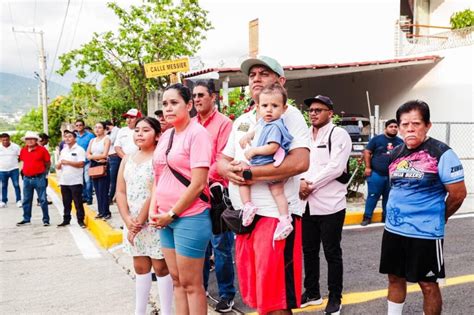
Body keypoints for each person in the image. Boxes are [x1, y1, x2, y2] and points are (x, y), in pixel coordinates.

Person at [218, 55, 310, 315]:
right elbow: (222, 160)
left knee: (276, 300)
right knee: (260, 298)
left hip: (274, 218)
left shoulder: (288, 116)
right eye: (252, 74)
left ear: (280, 82)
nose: (256, 78)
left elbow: (300, 162)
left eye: (264, 73)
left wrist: (247, 174)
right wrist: (228, 170)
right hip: (246, 218)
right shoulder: (245, 120)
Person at [379, 100, 466, 315]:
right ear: (398, 127)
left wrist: (439, 217)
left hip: (425, 234)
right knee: (394, 278)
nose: (410, 128)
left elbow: (458, 194)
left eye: (416, 123)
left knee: (427, 284)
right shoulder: (396, 154)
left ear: (427, 125)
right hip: (393, 231)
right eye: (404, 124)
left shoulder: (442, 153)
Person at [149, 83, 212, 314]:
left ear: (189, 105)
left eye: (174, 103)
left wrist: (172, 214)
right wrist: (154, 209)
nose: (168, 108)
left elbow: (198, 184)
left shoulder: (198, 134)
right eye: (165, 104)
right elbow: (158, 176)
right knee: (176, 281)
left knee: (191, 284)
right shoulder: (166, 136)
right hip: (164, 219)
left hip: (190, 217)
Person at [298, 95, 352, 315]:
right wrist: (299, 184)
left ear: (330, 112)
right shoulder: (304, 136)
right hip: (306, 205)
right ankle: (312, 292)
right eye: (311, 110)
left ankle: (335, 298)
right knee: (309, 251)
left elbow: (336, 167)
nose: (313, 113)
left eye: (319, 110)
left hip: (331, 205)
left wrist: (309, 184)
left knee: (332, 253)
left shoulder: (338, 134)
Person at [116, 117, 173, 315]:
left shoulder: (160, 158)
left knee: (161, 268)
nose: (139, 133)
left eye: (146, 130)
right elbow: (120, 192)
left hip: (153, 220)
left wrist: (140, 220)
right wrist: (127, 219)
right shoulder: (127, 159)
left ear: (158, 135)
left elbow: (155, 190)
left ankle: (167, 311)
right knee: (140, 267)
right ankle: (139, 311)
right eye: (137, 130)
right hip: (132, 222)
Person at [192, 80, 236, 312]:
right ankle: (200, 288)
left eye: (201, 95)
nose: (197, 99)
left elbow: (222, 159)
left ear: (213, 97)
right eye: (194, 96)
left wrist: (199, 179)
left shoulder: (224, 124)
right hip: (194, 195)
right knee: (199, 246)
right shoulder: (190, 125)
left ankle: (227, 294)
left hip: (217, 194)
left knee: (220, 246)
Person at [238, 83, 294, 241]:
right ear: (258, 107)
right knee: (277, 192)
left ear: (284, 108)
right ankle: (284, 218)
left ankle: (247, 205)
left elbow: (273, 147)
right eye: (265, 105)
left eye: (274, 106)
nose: (269, 109)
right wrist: (247, 136)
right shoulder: (265, 122)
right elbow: (256, 129)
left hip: (264, 164)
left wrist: (253, 151)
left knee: (242, 177)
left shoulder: (275, 126)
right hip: (268, 166)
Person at [361, 119, 403, 226]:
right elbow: (367, 152)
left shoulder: (400, 142)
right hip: (376, 174)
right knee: (373, 196)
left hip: (392, 176)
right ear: (386, 128)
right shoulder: (376, 139)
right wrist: (368, 167)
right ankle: (367, 217)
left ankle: (385, 218)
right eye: (391, 126)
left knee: (388, 197)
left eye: (395, 127)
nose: (393, 128)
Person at [16, 131, 51, 226]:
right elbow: (23, 162)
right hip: (27, 178)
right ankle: (26, 219)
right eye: (28, 139)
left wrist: (44, 173)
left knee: (43, 200)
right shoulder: (23, 150)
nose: (30, 141)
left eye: (32, 139)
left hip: (39, 178)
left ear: (36, 140)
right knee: (26, 199)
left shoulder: (42, 150)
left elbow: (47, 162)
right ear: (25, 141)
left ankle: (46, 219)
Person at [56, 130, 86, 228]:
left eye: (70, 136)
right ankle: (66, 219)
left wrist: (68, 162)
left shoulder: (79, 150)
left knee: (78, 202)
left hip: (75, 180)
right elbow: (59, 165)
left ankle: (81, 220)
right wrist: (59, 165)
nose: (67, 138)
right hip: (64, 180)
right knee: (66, 202)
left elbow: (81, 164)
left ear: (75, 138)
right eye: (65, 137)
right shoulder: (63, 150)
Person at [86, 122, 111, 220]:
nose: (97, 129)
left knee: (103, 189)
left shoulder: (106, 139)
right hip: (94, 164)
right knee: (96, 189)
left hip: (103, 165)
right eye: (95, 127)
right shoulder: (92, 140)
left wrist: (92, 157)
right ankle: (100, 211)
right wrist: (95, 157)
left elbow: (105, 154)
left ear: (104, 129)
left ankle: (106, 212)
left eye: (100, 127)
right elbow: (87, 154)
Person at [75, 119, 95, 205]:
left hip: (87, 161)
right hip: (78, 162)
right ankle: (83, 197)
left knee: (87, 180)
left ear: (83, 126)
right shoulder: (74, 137)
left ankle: (89, 198)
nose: (79, 127)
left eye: (80, 125)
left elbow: (94, 146)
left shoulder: (90, 136)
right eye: (77, 125)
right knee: (80, 180)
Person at [0, 133, 22, 208]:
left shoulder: (15, 147)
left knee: (16, 185)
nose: (5, 141)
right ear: (0, 140)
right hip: (2, 170)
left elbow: (20, 157)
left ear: (9, 139)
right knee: (3, 186)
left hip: (14, 169)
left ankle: (18, 200)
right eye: (3, 140)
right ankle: (3, 201)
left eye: (6, 140)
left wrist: (14, 162)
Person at [105, 120, 121, 204]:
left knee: (113, 179)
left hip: (115, 156)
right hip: (109, 157)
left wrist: (107, 134)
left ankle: (110, 197)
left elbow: (110, 141)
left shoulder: (116, 130)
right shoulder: (110, 132)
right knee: (110, 179)